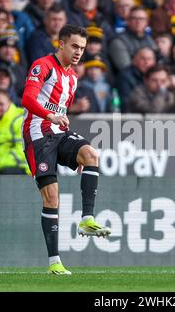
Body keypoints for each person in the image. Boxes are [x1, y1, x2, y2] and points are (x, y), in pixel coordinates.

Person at [21, 24, 111, 276]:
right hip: (38, 133)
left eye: (82, 48)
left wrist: (74, 153)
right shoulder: (43, 66)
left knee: (91, 154)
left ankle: (87, 220)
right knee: (52, 197)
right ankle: (54, 262)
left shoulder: (72, 77)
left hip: (58, 132)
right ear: (61, 43)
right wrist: (50, 114)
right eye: (74, 46)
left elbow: (61, 112)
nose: (78, 52)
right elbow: (27, 99)